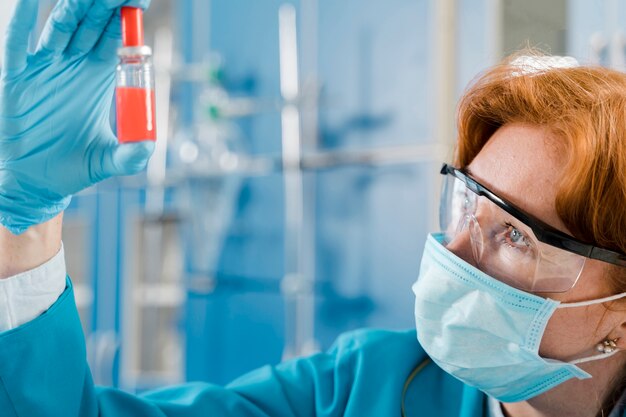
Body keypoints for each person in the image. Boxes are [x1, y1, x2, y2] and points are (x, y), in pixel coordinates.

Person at [0, 1, 625, 416]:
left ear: (617, 318)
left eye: (515, 237)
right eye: (465, 205)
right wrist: (21, 221)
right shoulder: (362, 388)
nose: (455, 253)